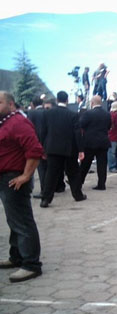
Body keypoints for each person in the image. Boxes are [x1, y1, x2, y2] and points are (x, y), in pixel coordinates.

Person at [0, 91, 43, 282]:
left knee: (22, 221)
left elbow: (34, 149)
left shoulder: (18, 122)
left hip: (14, 178)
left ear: (10, 104)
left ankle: (31, 264)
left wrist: (25, 175)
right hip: (7, 177)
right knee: (13, 220)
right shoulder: (6, 122)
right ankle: (16, 256)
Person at [40, 91, 87, 208]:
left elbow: (43, 133)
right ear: (67, 100)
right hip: (69, 149)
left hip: (52, 148)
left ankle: (46, 199)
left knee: (51, 174)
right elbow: (77, 134)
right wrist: (81, 150)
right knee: (73, 173)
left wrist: (43, 148)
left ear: (57, 100)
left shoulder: (47, 114)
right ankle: (78, 195)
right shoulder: (73, 115)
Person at [79, 95, 112, 190]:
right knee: (102, 164)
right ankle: (101, 184)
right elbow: (109, 126)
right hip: (103, 141)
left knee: (85, 163)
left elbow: (81, 125)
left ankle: (79, 181)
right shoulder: (107, 114)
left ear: (92, 103)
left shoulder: (88, 113)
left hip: (90, 142)